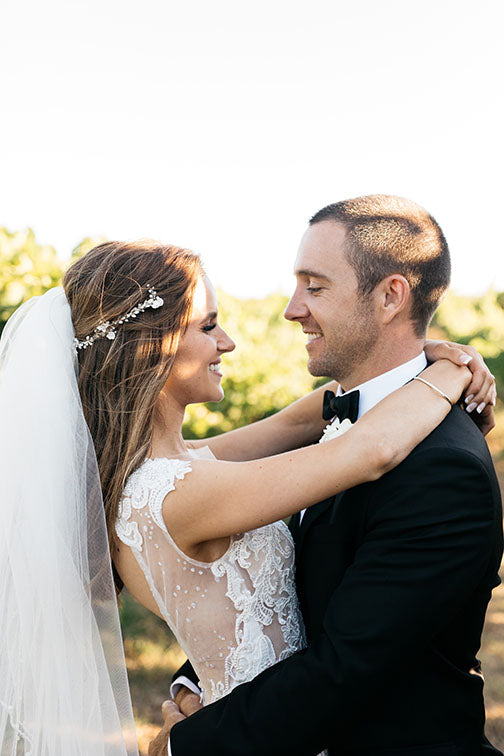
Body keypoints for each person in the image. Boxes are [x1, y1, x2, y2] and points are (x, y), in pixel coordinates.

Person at [0, 235, 494, 754]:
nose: (228, 341)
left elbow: (302, 418)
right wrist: (451, 372)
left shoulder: (166, 470)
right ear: (150, 348)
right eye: (208, 326)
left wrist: (421, 357)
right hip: (268, 738)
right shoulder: (179, 493)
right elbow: (371, 450)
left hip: (250, 722)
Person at [156, 196, 503, 756]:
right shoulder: (337, 422)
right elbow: (281, 594)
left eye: (314, 287)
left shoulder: (445, 469)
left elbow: (345, 671)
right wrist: (203, 682)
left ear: (391, 296)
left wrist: (187, 745)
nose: (292, 310)